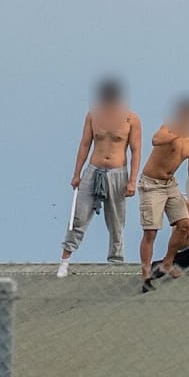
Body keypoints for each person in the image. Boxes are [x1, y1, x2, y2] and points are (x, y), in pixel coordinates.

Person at [56, 78, 141, 277]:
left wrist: (132, 180)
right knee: (78, 216)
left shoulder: (131, 119)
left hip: (118, 172)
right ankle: (65, 261)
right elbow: (85, 144)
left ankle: (115, 262)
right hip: (93, 169)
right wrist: (76, 173)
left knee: (116, 221)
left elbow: (136, 151)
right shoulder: (93, 116)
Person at [138, 96, 189, 291]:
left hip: (170, 184)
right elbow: (155, 140)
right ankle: (146, 274)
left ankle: (168, 262)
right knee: (151, 231)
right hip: (151, 183)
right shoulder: (169, 128)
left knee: (185, 225)